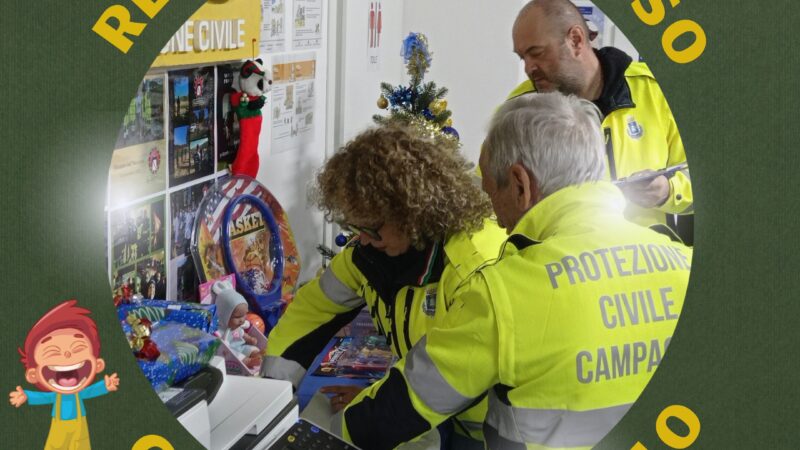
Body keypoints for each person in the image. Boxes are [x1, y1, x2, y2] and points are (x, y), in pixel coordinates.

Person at [332, 92, 693, 450]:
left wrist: (331, 433)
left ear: (521, 185)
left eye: (490, 191)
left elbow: (402, 407)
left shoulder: (505, 292)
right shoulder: (684, 262)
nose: (492, 213)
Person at [262, 124, 507, 449]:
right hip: (436, 412)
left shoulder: (475, 267)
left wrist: (357, 422)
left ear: (413, 213)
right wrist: (270, 392)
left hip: (490, 429)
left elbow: (441, 381)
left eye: (373, 228)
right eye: (354, 226)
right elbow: (312, 312)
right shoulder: (368, 255)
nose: (362, 239)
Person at [508, 0, 693, 243]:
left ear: (575, 40)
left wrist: (668, 191)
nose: (529, 68)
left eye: (537, 53)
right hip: (557, 268)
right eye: (523, 57)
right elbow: (493, 193)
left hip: (645, 266)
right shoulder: (521, 108)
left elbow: (709, 181)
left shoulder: (657, 92)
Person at [9, 300, 120, 449]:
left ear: (98, 365)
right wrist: (27, 396)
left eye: (77, 346)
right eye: (52, 349)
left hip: (80, 428)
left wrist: (105, 386)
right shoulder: (56, 395)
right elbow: (44, 397)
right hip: (58, 429)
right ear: (33, 375)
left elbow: (89, 391)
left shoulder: (79, 393)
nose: (67, 353)